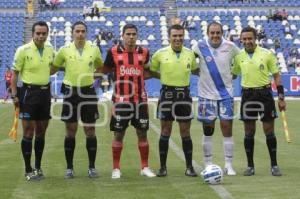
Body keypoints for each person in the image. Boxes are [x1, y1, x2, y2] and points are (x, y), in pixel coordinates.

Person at [102, 24, 156, 179]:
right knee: (118, 134)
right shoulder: (113, 51)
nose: (131, 37)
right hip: (121, 101)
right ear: (122, 35)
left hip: (140, 100)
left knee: (142, 133)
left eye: (133, 34)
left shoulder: (144, 52)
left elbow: (146, 71)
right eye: (128, 34)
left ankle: (144, 167)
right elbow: (106, 70)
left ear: (137, 35)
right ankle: (116, 168)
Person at [51, 21, 103, 179]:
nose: (80, 34)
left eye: (83, 31)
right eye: (77, 31)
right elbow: (54, 67)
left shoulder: (94, 49)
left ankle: (92, 167)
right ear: (72, 33)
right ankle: (69, 168)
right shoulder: (64, 50)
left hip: (88, 93)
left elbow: (100, 67)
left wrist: (91, 78)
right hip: (70, 93)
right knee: (70, 131)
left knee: (90, 130)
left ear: (86, 33)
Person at [232, 26, 286, 176]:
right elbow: (233, 75)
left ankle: (274, 165)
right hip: (247, 95)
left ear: (255, 39)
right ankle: (250, 166)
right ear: (241, 40)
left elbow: (276, 76)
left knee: (269, 131)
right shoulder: (238, 56)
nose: (247, 41)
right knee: (249, 132)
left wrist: (281, 98)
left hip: (265, 94)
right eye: (245, 39)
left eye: (250, 38)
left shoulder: (267, 54)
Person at [149, 24, 198, 177]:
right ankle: (163, 167)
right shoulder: (159, 53)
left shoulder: (190, 54)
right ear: (169, 37)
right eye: (174, 36)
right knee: (165, 131)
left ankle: (189, 167)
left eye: (180, 35)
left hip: (184, 95)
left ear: (184, 36)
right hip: (167, 95)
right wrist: (162, 77)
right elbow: (151, 70)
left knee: (185, 132)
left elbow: (196, 70)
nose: (177, 38)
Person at [191, 21, 240, 175]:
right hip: (206, 96)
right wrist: (199, 73)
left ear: (222, 33)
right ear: (207, 33)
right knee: (208, 130)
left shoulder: (231, 47)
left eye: (218, 32)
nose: (215, 35)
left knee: (227, 129)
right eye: (212, 33)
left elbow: (240, 61)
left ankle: (229, 165)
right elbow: (191, 63)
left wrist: (234, 74)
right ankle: (208, 164)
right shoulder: (199, 46)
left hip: (226, 95)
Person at [11, 21, 54, 181]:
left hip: (45, 94)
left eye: (44, 33)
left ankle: (38, 167)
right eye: (38, 33)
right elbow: (15, 74)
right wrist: (15, 95)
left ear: (47, 34)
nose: (41, 36)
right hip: (28, 93)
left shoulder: (50, 49)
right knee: (28, 131)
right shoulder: (23, 50)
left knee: (41, 132)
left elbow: (54, 66)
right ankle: (28, 169)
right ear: (33, 34)